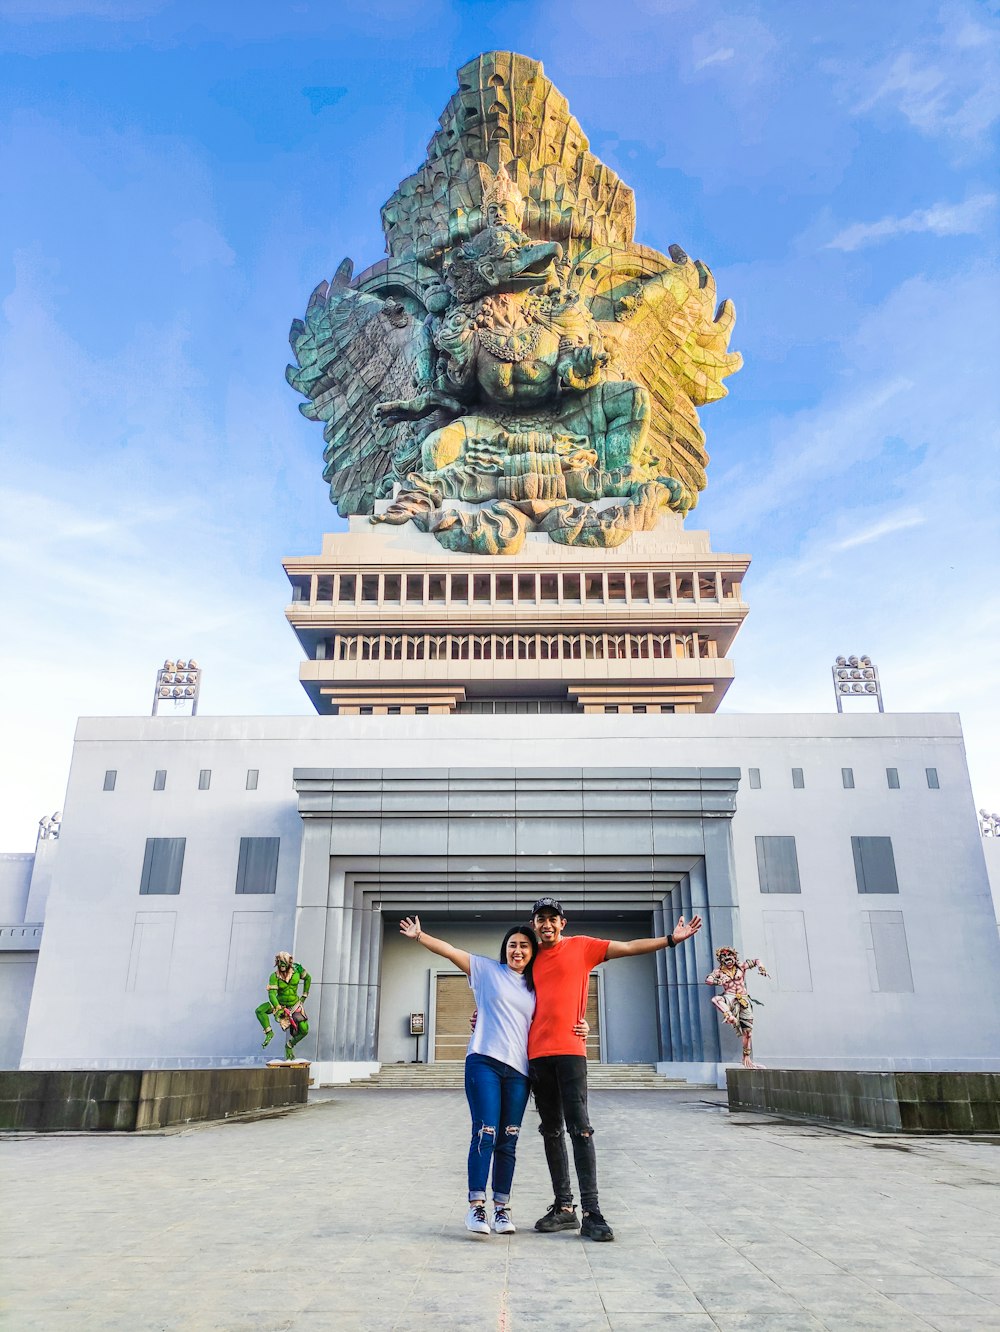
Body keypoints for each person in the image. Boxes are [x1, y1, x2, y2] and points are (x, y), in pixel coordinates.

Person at [399, 913, 586, 1237]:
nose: (518, 951)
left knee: (508, 1138)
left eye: (525, 946)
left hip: (519, 1071)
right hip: (484, 1061)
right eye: (513, 945)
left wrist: (583, 1025)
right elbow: (449, 951)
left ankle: (501, 1209)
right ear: (505, 949)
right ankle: (476, 1208)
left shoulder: (536, 985)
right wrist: (420, 936)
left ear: (533, 952)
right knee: (486, 1131)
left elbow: (559, 1010)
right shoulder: (486, 970)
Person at [528, 895, 702, 1242]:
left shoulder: (582, 947)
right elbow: (505, 995)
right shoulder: (528, 957)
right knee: (550, 1131)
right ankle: (564, 1209)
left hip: (570, 1053)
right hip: (535, 1055)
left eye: (552, 919)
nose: (546, 924)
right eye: (540, 919)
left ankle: (592, 1212)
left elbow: (628, 946)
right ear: (534, 924)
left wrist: (670, 940)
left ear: (563, 923)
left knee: (581, 1130)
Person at [706, 945, 768, 1069]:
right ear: (720, 960)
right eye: (724, 957)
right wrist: (719, 981)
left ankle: (746, 1058)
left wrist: (761, 967)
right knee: (716, 999)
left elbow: (756, 961)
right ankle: (729, 1015)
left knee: (748, 1033)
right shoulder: (719, 971)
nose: (727, 959)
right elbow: (708, 980)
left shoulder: (741, 966)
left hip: (743, 999)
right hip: (729, 997)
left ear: (734, 957)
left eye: (730, 957)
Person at [255, 951, 311, 1062]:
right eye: (280, 963)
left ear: (289, 963)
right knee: (259, 1010)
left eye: (284, 963)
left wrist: (304, 996)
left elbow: (308, 979)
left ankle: (289, 1045)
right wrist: (277, 1007)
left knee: (304, 1029)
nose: (282, 966)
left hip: (294, 1005)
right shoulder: (274, 976)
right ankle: (269, 1032)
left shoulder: (297, 970)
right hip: (280, 1004)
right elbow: (271, 994)